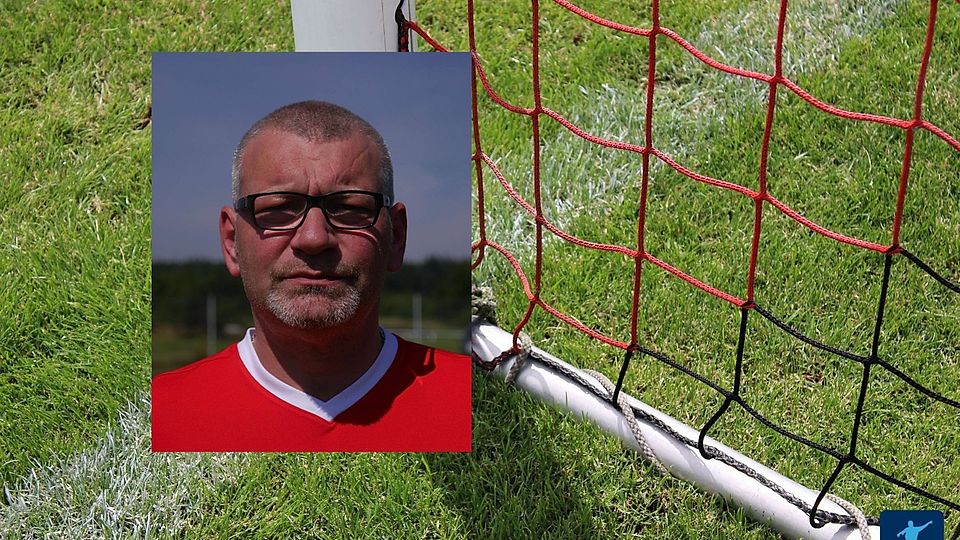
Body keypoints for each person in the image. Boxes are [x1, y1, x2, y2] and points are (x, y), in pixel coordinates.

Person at [152, 101, 472, 452]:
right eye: (278, 208)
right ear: (232, 243)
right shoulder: (163, 413)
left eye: (349, 208)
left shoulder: (473, 399)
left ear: (396, 236)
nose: (314, 238)